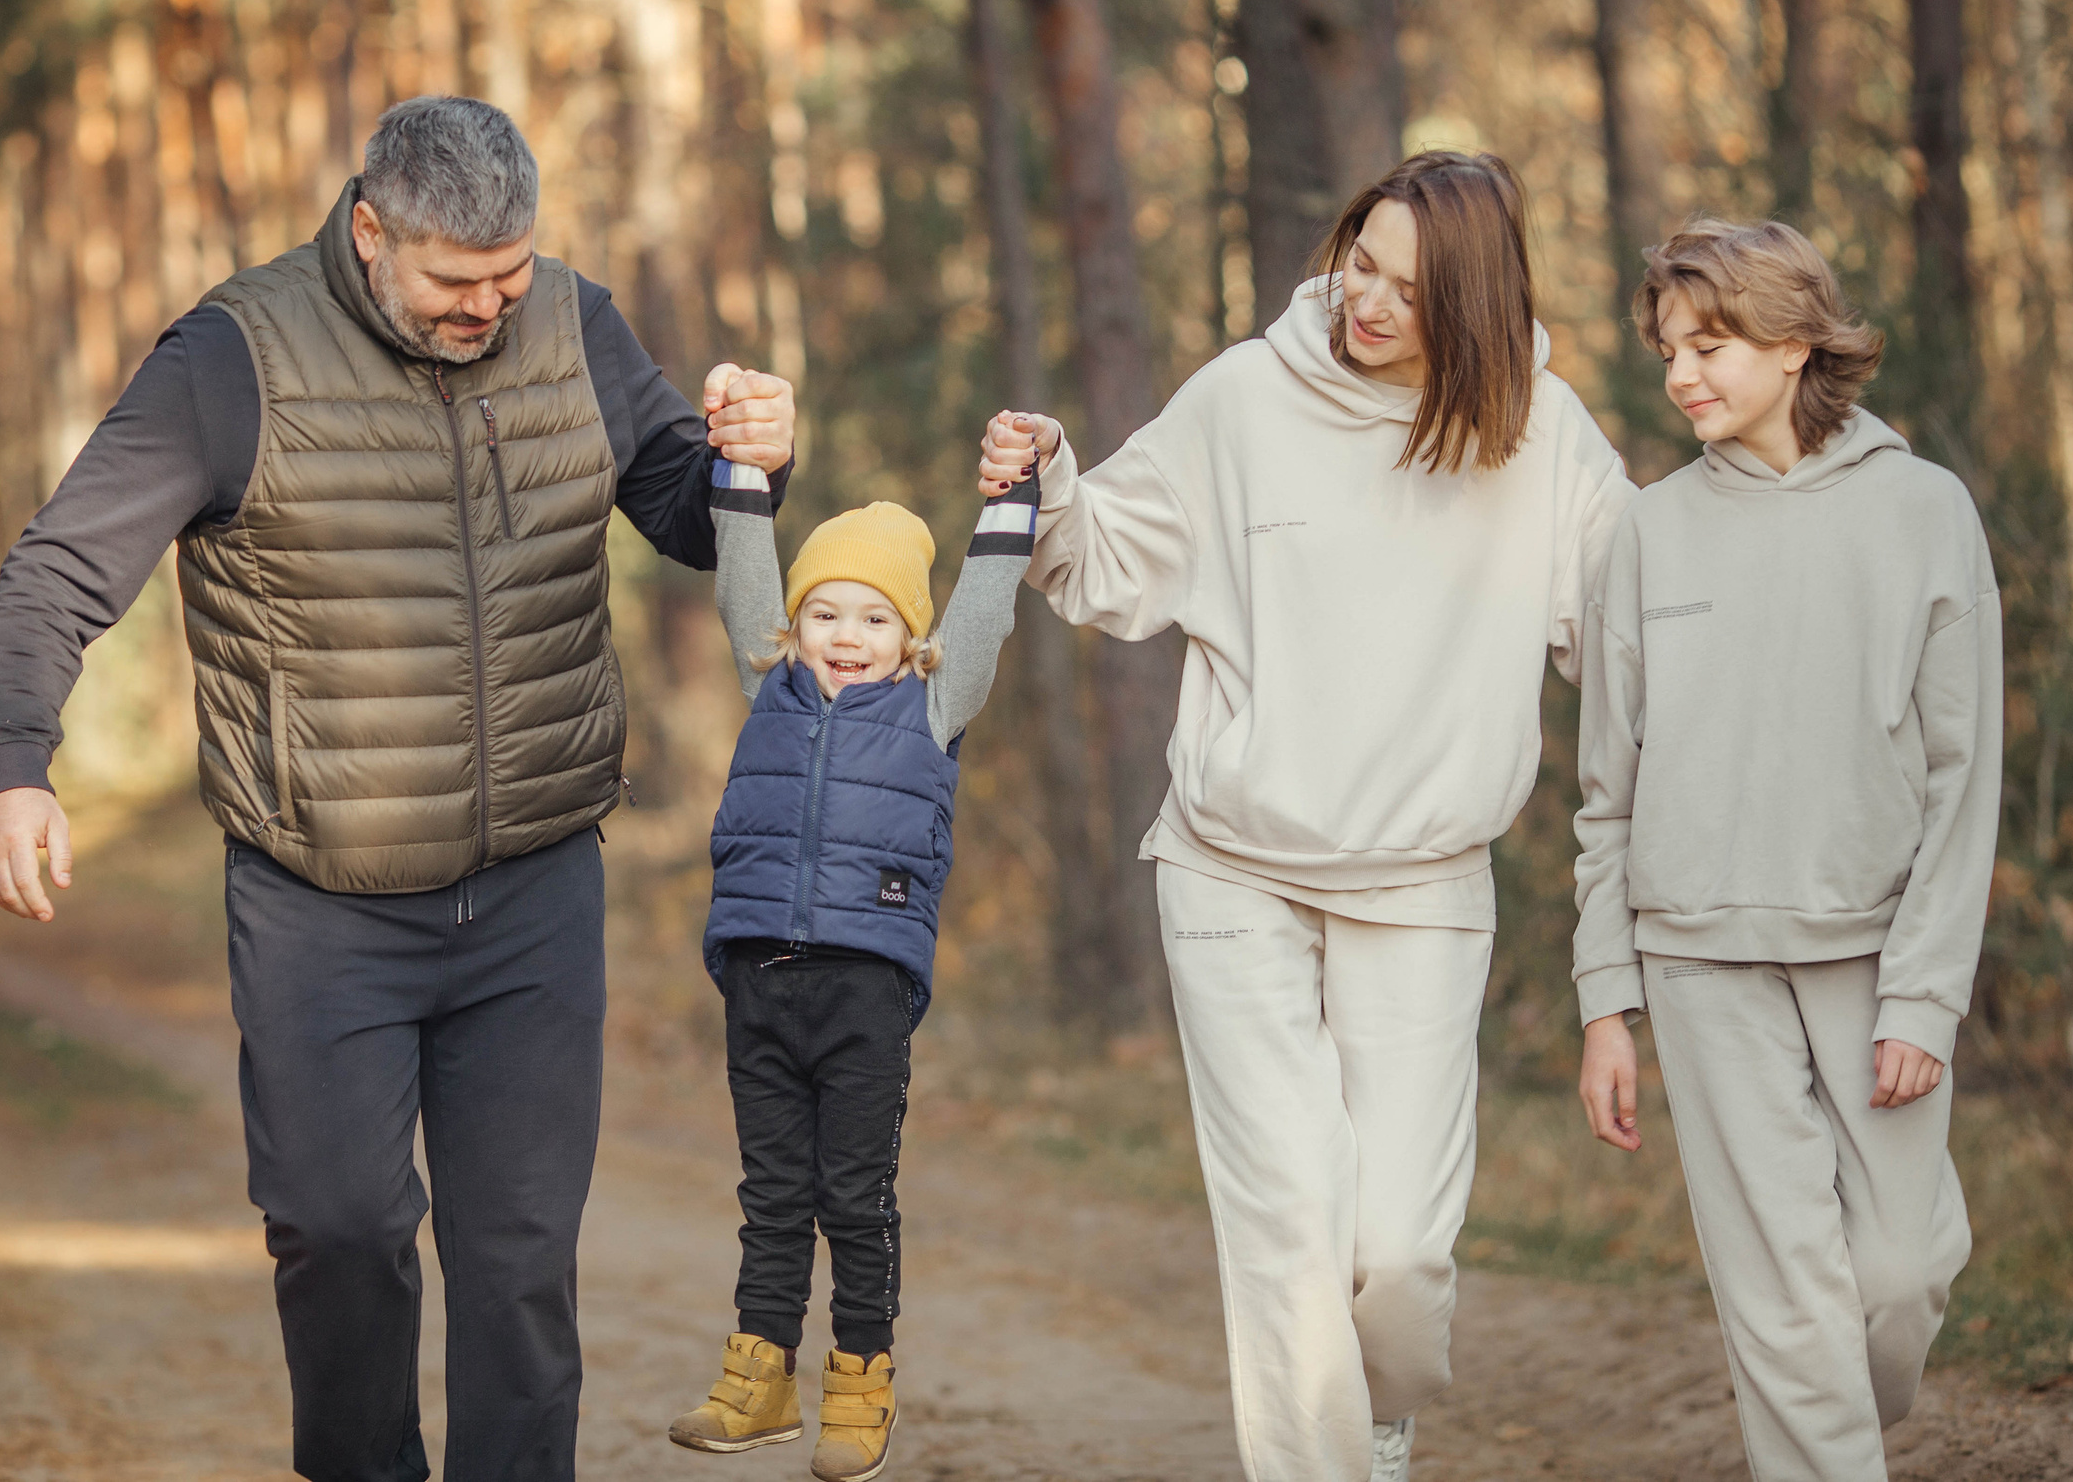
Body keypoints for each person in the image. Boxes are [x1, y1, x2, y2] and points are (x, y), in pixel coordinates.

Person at [0, 96, 799, 1482]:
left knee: (520, 1259)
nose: (491, 305)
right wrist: (13, 767)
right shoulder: (235, 356)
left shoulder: (576, 322)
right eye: (458, 280)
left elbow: (681, 509)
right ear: (370, 227)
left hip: (534, 879)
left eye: (512, 274)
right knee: (339, 1227)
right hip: (319, 897)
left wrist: (753, 460)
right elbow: (60, 566)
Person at [978, 150, 1633, 1482]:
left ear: (1476, 309)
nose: (1366, 302)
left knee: (1395, 1254)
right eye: (1360, 263)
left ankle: (1370, 1409)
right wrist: (1048, 475)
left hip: (1426, 882)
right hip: (1233, 872)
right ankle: (1333, 1456)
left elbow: (1637, 627)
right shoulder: (1243, 399)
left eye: (1407, 287)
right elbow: (1099, 562)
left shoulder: (1540, 431)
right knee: (1285, 1229)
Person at [1571, 219, 1999, 1482]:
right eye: (1666, 351)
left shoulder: (1925, 512)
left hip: (1874, 960)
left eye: (1708, 345)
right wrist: (1608, 1000)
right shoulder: (1647, 533)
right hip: (1701, 964)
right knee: (1785, 1311)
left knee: (1896, 1278)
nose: (1680, 376)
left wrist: (1926, 993)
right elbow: (1608, 793)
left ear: (1795, 338)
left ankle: (1827, 1426)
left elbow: (1961, 777)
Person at [662, 453, 1041, 1482]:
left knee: (854, 1193)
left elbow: (989, 604)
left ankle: (861, 1379)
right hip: (759, 981)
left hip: (864, 986)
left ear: (912, 637)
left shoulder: (931, 703)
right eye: (825, 613)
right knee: (774, 1191)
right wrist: (740, 456)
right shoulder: (771, 682)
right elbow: (744, 562)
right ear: (794, 628)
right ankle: (760, 1374)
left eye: (874, 619)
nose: (846, 636)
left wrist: (1017, 488)